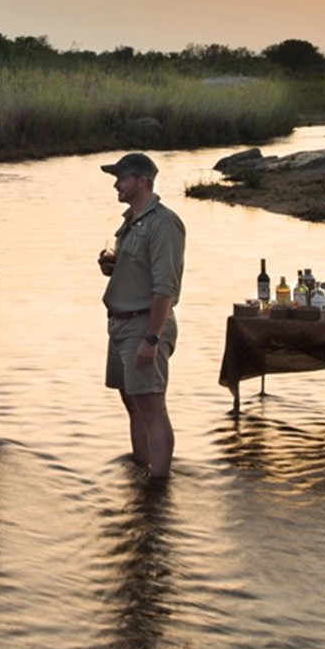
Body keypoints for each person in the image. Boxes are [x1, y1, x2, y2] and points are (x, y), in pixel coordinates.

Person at [98, 152, 185, 480]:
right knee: (133, 404)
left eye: (122, 179)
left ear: (143, 181)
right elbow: (140, 270)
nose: (116, 185)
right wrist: (114, 267)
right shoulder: (131, 221)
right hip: (120, 325)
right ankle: (140, 474)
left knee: (151, 407)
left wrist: (151, 337)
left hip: (144, 326)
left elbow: (165, 287)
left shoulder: (164, 224)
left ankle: (158, 486)